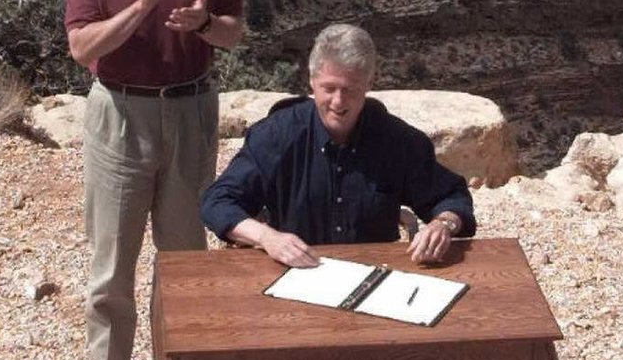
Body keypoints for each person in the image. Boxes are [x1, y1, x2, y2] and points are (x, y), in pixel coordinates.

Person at [62, 0, 243, 360]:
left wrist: (205, 22)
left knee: (187, 254)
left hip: (191, 109)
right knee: (113, 258)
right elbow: (80, 45)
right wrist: (142, 6)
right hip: (119, 111)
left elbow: (234, 33)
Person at [200, 24, 475, 268]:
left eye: (350, 90)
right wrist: (267, 238)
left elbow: (451, 196)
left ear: (369, 84)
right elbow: (218, 202)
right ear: (311, 81)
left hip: (373, 276)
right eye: (329, 88)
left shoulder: (397, 141)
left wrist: (443, 225)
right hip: (293, 274)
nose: (338, 102)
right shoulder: (276, 136)